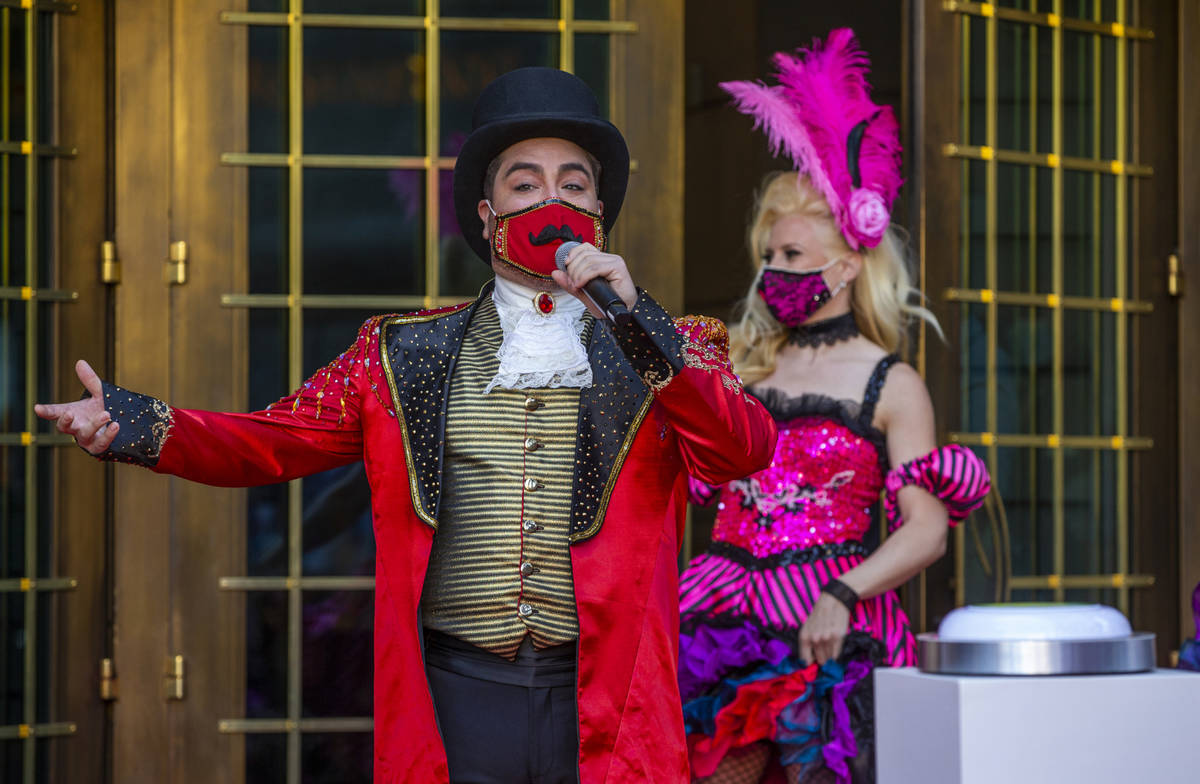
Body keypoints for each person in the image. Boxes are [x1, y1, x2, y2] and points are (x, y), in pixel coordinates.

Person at [34, 67, 778, 784]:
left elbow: (742, 449)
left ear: (600, 213)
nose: (551, 199)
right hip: (457, 695)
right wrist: (131, 423)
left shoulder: (670, 347)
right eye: (524, 183)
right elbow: (272, 440)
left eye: (573, 183)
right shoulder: (399, 352)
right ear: (487, 217)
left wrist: (637, 318)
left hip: (609, 704)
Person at [676, 31, 991, 784]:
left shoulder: (892, 381)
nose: (773, 271)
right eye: (769, 256)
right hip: (725, 620)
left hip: (829, 627)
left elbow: (926, 530)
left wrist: (842, 593)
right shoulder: (742, 365)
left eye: (791, 256)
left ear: (847, 265)